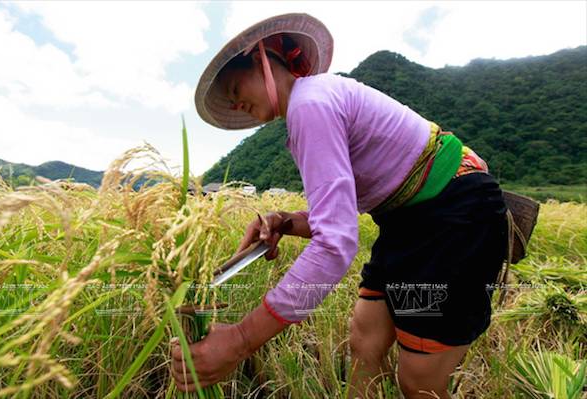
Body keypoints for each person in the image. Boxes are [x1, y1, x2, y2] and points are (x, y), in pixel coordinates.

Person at [171, 13, 508, 398]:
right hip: (404, 222)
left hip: (451, 220)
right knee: (365, 342)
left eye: (235, 86)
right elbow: (339, 216)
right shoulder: (311, 108)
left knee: (419, 382)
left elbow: (336, 242)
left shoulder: (310, 104)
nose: (237, 101)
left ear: (264, 56)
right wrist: (283, 222)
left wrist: (241, 339)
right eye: (231, 99)